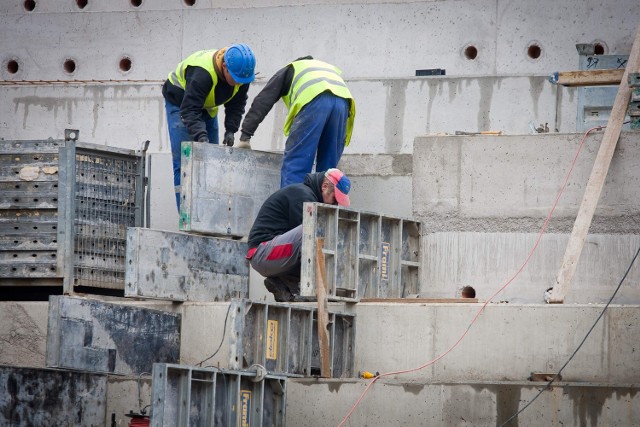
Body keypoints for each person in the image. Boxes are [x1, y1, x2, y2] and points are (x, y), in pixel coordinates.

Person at [162, 44, 256, 210]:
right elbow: (189, 109)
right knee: (185, 162)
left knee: (212, 160)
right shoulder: (202, 74)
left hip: (207, 106)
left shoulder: (241, 75)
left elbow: (237, 104)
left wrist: (230, 130)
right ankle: (186, 218)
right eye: (235, 79)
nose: (238, 84)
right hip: (181, 104)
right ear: (224, 66)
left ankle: (208, 217)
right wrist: (201, 136)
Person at [238, 56, 356, 188]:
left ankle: (292, 206)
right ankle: (324, 208)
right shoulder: (324, 68)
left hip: (314, 98)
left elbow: (263, 101)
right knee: (327, 174)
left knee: (297, 164)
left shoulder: (290, 69)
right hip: (343, 104)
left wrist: (245, 136)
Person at [246, 168, 351, 302]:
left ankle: (285, 287)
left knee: (317, 234)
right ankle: (304, 289)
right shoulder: (302, 195)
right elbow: (308, 242)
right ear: (324, 187)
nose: (335, 205)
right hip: (261, 253)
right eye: (334, 199)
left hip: (274, 252)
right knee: (313, 231)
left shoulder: (308, 196)